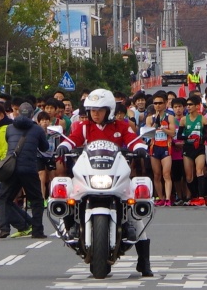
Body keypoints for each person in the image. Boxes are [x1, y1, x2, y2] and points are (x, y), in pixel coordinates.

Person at [56, 89, 153, 277]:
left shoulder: (121, 126)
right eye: (92, 110)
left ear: (109, 110)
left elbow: (133, 141)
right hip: (89, 175)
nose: (95, 114)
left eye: (99, 110)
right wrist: (63, 146)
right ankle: (70, 227)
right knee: (66, 197)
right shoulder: (83, 127)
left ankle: (144, 261)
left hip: (115, 175)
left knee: (135, 213)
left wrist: (140, 148)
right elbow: (72, 140)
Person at [0, 103, 49, 239]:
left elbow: (10, 142)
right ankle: (37, 230)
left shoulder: (9, 128)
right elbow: (44, 147)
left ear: (18, 113)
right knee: (37, 200)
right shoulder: (37, 129)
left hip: (12, 168)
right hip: (29, 168)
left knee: (4, 198)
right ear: (32, 115)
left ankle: (4, 228)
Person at [146, 90, 176, 207]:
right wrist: (154, 126)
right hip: (154, 148)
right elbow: (148, 134)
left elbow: (173, 133)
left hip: (166, 148)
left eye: (160, 103)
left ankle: (168, 198)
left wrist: (164, 129)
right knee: (157, 175)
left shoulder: (170, 117)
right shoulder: (150, 118)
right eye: (155, 103)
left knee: (166, 174)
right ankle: (161, 197)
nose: (157, 105)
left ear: (165, 104)